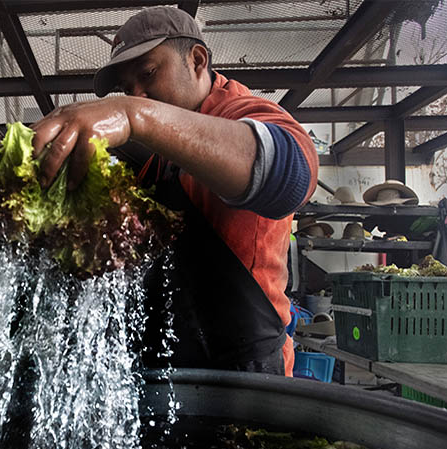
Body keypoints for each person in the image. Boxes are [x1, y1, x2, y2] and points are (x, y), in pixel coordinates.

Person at [31, 7, 318, 376]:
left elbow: (292, 175)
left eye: (148, 73)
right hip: (172, 364)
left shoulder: (241, 111)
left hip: (248, 372)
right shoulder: (157, 161)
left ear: (197, 60)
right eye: (126, 88)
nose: (137, 94)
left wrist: (133, 113)